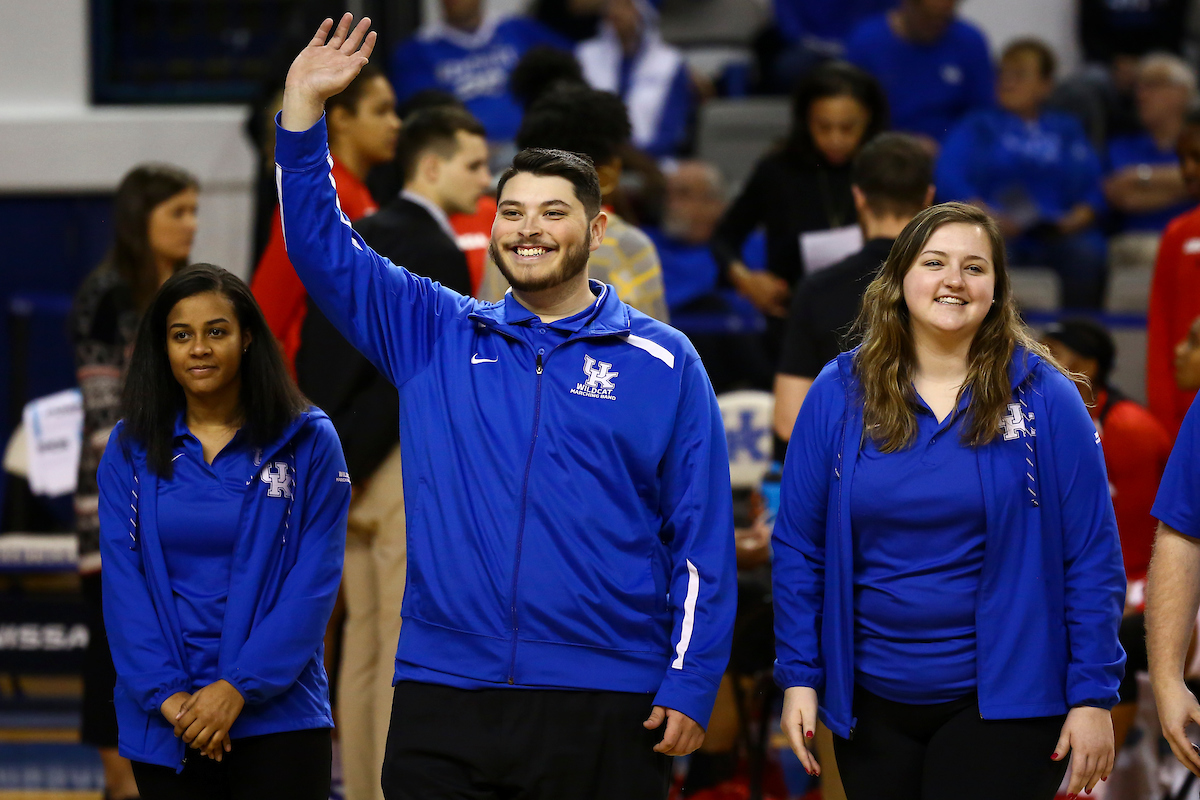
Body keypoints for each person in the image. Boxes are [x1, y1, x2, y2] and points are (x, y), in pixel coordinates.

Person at [277, 16, 736, 799]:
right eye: (512, 212)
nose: (528, 231)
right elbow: (321, 247)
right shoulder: (435, 332)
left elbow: (702, 536)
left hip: (605, 694)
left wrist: (692, 680)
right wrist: (301, 112)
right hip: (443, 692)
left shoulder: (664, 361)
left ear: (596, 228)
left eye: (552, 213)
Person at [773, 202, 1126, 798]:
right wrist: (801, 678)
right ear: (899, 279)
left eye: (974, 267)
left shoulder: (1048, 398)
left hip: (1008, 703)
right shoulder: (837, 390)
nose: (953, 281)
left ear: (997, 288)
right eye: (934, 262)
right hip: (869, 701)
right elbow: (798, 549)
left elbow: (1091, 555)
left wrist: (1093, 694)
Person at [98, 265, 349, 798]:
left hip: (279, 719)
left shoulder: (308, 439)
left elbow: (314, 583)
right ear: (162, 348)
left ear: (248, 336)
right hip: (169, 719)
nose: (199, 349)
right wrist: (171, 699)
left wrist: (237, 689)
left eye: (217, 331)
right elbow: (124, 586)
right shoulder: (129, 448)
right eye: (181, 335)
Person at [297, 105, 484, 800]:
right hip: (399, 465)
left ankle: (361, 791)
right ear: (429, 168)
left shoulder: (358, 234)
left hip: (345, 460)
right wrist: (368, 456)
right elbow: (420, 377)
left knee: (360, 648)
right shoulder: (433, 250)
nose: (483, 177)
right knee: (396, 641)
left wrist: (336, 458)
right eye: (472, 164)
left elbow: (321, 361)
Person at [70, 163, 199, 800]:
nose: (191, 224)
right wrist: (138, 489)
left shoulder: (190, 291)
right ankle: (118, 778)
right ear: (139, 218)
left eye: (194, 211)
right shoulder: (108, 292)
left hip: (183, 494)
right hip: (115, 495)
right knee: (112, 640)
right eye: (177, 211)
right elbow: (102, 412)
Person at [1040, 318, 1171, 754]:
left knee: (1104, 633)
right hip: (1071, 573)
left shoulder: (1130, 428)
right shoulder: (1032, 417)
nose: (1040, 358)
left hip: (1136, 579)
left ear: (1089, 367)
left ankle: (1102, 774)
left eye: (1054, 350)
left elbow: (1140, 535)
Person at [772, 132, 933, 460]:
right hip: (943, 475)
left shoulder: (817, 290)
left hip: (848, 481)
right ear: (928, 199)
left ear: (858, 197)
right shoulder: (956, 288)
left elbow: (789, 421)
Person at [710, 61, 887, 329]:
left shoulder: (889, 169)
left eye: (848, 127)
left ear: (870, 120)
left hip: (877, 321)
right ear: (805, 121)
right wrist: (746, 280)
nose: (835, 139)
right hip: (793, 323)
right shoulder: (778, 170)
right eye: (824, 127)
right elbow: (724, 237)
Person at [937, 39, 1108, 309]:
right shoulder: (978, 125)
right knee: (984, 254)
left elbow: (1094, 189)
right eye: (1003, 74)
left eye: (1020, 75)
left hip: (1059, 233)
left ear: (1046, 85)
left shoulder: (1066, 130)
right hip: (996, 230)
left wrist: (1071, 221)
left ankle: (1076, 335)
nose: (1008, 82)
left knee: (1086, 254)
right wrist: (989, 217)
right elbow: (949, 178)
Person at [251, 64, 398, 376]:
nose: (395, 124)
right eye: (381, 111)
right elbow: (271, 299)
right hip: (305, 385)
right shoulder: (325, 195)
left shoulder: (357, 193)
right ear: (342, 118)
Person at [477, 85, 670, 321]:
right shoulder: (628, 246)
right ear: (609, 171)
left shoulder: (506, 240)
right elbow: (654, 348)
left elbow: (485, 330)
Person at [388, 0, 570, 144]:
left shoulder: (518, 30)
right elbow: (423, 119)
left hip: (532, 144)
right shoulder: (415, 52)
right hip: (464, 155)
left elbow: (570, 71)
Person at [844, 0, 992, 144]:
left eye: (945, 17)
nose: (936, 24)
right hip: (883, 149)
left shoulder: (970, 42)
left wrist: (948, 147)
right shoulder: (866, 43)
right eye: (928, 16)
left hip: (951, 152)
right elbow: (851, 114)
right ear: (906, 4)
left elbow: (982, 115)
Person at [576, 0, 694, 158]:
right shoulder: (585, 55)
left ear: (643, 12)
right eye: (613, 4)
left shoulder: (670, 62)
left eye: (626, 5)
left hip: (654, 160)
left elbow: (671, 131)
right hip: (594, 157)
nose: (616, 10)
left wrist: (634, 156)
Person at [1104, 54, 1195, 248]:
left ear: (1182, 93)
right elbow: (1125, 198)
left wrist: (1139, 176)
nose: (1141, 96)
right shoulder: (1121, 146)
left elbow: (1131, 186)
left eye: (1153, 85)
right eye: (1139, 87)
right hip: (1141, 242)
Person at [1147, 109, 1200, 439]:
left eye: (1197, 157)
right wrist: (1165, 419)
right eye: (1182, 159)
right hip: (1184, 410)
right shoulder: (1178, 234)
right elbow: (1162, 330)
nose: (1188, 169)